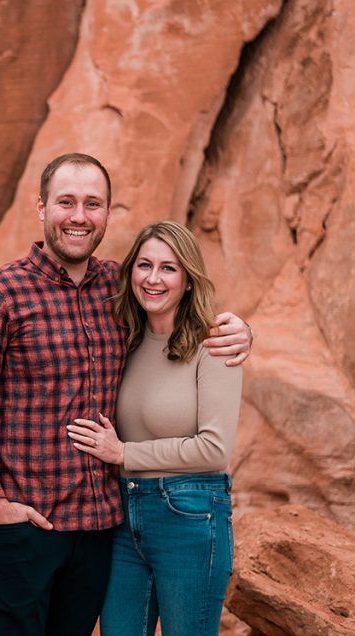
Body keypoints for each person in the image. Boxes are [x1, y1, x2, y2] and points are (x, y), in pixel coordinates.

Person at [0, 153, 251, 636]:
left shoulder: (116, 290)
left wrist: (243, 329)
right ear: (42, 208)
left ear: (108, 213)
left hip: (100, 530)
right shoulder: (0, 295)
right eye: (66, 202)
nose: (79, 216)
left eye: (93, 204)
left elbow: (178, 308)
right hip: (24, 524)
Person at [66, 220, 243, 636]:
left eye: (169, 268)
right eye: (144, 265)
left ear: (188, 280)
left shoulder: (213, 343)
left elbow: (214, 449)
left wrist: (124, 453)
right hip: (124, 517)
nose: (153, 278)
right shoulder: (124, 341)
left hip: (191, 516)